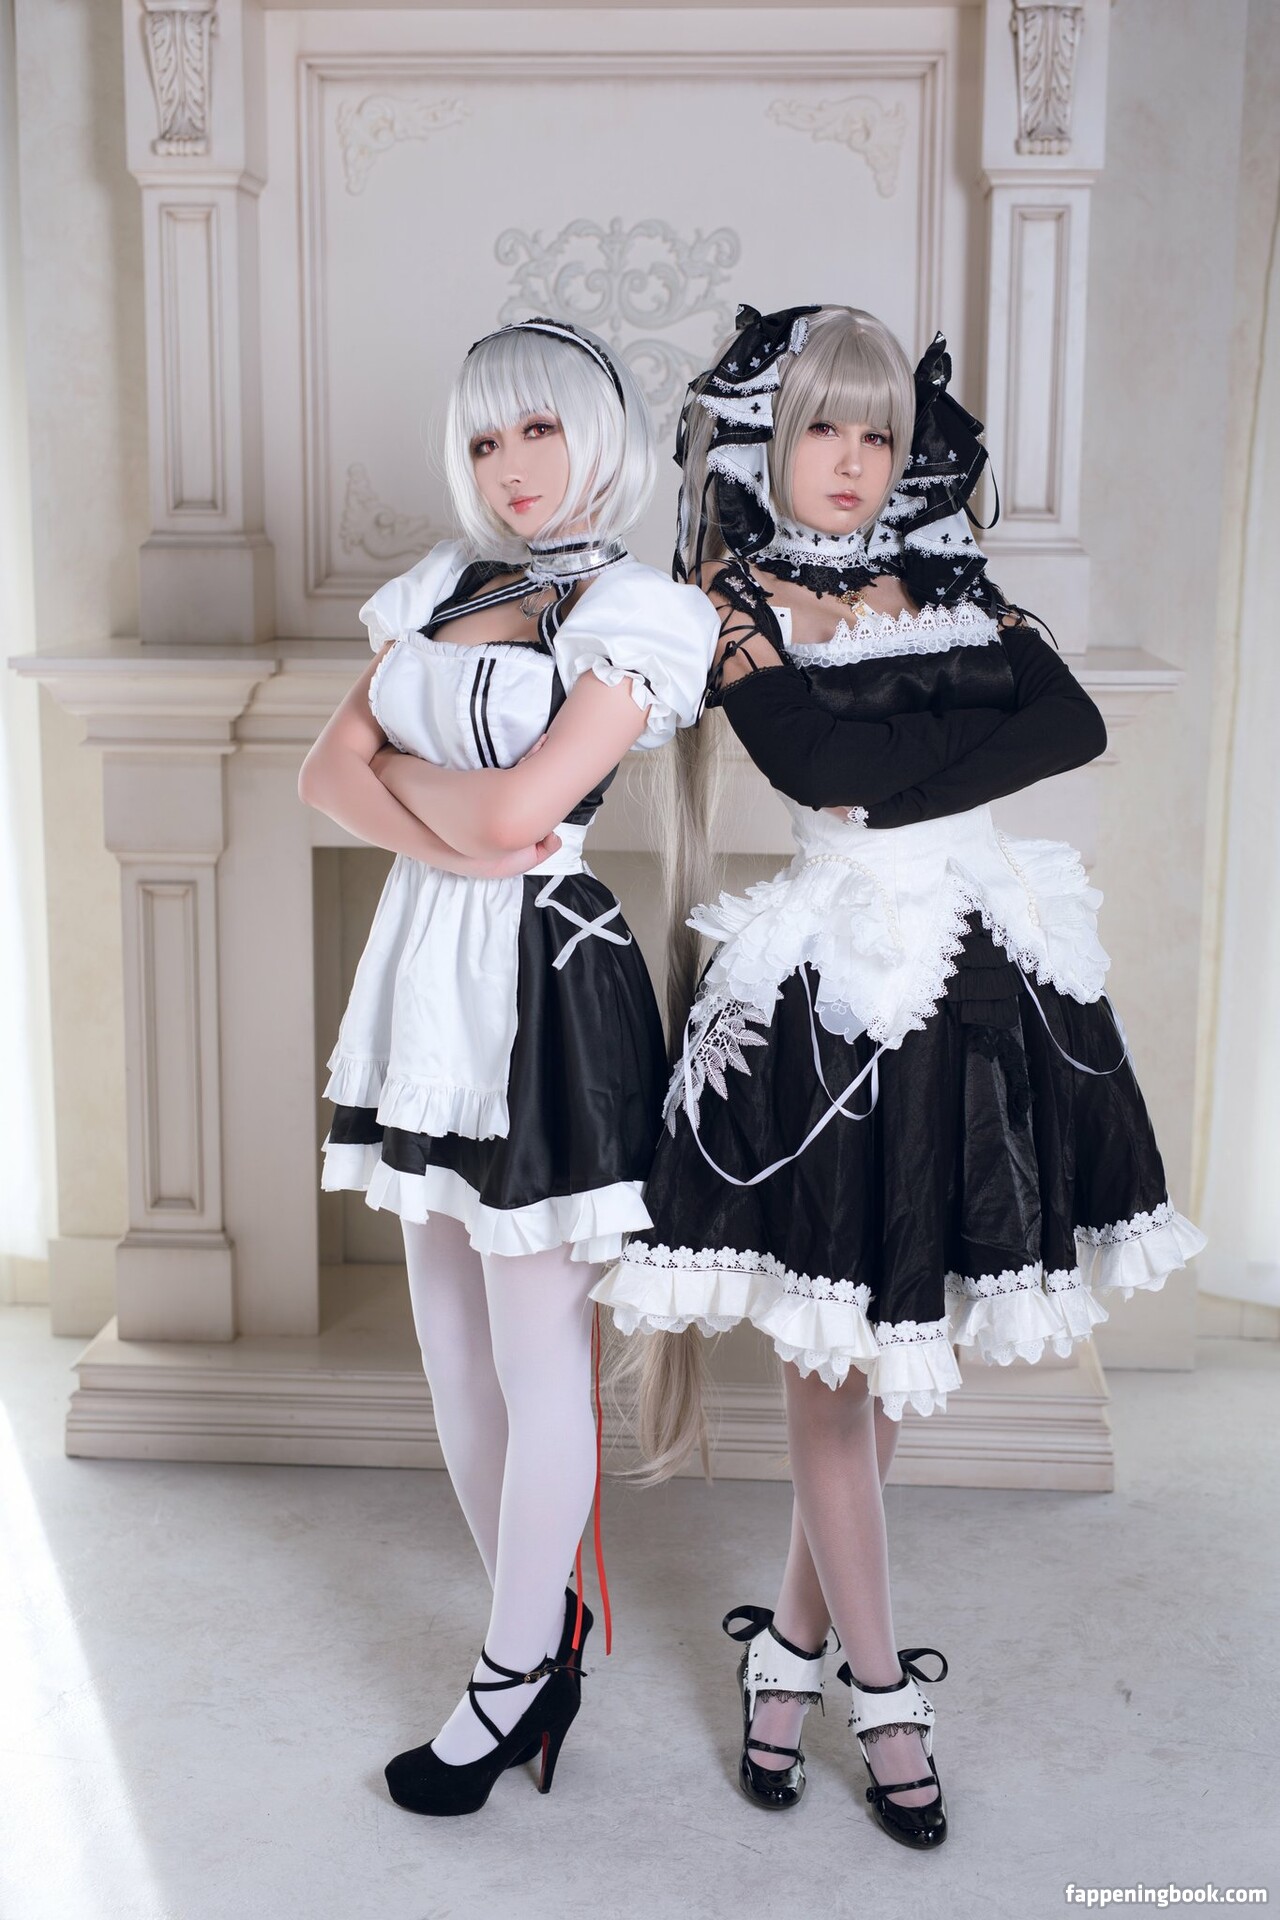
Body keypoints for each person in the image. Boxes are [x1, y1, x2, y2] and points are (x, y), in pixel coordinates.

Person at [592, 303, 1205, 1849]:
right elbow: (821, 773)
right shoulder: (731, 601)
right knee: (833, 1367)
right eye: (825, 427)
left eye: (880, 432)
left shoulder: (949, 577)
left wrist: (906, 783)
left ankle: (787, 1658)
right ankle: (883, 1699)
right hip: (837, 997)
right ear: (767, 442)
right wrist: (939, 759)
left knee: (895, 1357)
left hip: (989, 986)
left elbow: (1069, 724)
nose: (855, 460)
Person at [298, 316, 717, 1816]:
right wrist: (455, 826)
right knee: (451, 1354)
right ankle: (540, 1637)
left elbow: (518, 816)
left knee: (541, 1364)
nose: (512, 467)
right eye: (485, 439)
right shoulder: (439, 587)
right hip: (425, 971)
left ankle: (508, 1675)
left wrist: (424, 803)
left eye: (539, 430)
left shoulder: (641, 609)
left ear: (596, 437)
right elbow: (322, 776)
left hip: (546, 982)